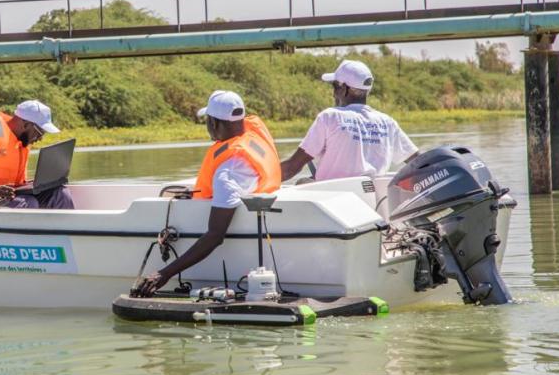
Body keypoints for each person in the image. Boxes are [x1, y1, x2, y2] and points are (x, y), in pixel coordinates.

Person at [133, 90, 281, 297]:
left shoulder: (227, 173)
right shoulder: (251, 138)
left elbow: (215, 235)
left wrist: (164, 274)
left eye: (207, 121)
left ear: (214, 123)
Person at [280, 59, 419, 183]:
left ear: (344, 89)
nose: (333, 93)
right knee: (305, 181)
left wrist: (259, 177)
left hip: (334, 200)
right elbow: (418, 162)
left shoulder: (330, 117)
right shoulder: (388, 123)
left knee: (301, 183)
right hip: (373, 201)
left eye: (335, 87)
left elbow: (291, 168)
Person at [0, 100, 74, 209]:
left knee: (60, 194)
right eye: (39, 133)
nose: (40, 139)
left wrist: (38, 185)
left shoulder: (20, 144)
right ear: (26, 125)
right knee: (28, 202)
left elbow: (15, 184)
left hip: (10, 197)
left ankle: (66, 231)